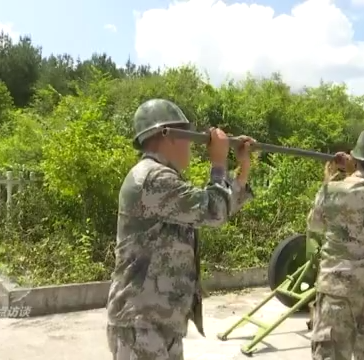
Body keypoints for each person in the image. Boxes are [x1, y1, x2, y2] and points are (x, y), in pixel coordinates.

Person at [106, 98, 255, 360]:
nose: (191, 143)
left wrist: (242, 170)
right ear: (168, 135)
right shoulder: (152, 178)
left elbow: (213, 208)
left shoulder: (163, 177)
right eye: (187, 135)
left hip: (159, 322)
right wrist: (218, 163)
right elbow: (214, 211)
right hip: (141, 325)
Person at [307, 126, 364, 360]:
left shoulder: (333, 191)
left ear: (357, 157)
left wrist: (329, 180)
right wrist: (355, 170)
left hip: (337, 292)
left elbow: (315, 224)